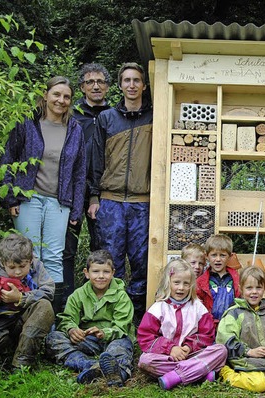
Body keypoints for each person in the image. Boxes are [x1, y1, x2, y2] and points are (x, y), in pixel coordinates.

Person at [0, 76, 86, 314]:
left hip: (59, 202)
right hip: (28, 199)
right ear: (46, 95)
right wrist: (10, 197)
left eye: (66, 97)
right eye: (56, 94)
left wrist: (76, 208)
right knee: (29, 255)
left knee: (54, 257)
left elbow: (80, 171)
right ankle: (26, 312)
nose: (61, 100)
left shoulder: (74, 129)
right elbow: (8, 159)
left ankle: (52, 317)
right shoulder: (27, 123)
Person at [88, 62, 153, 320]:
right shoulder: (106, 118)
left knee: (141, 262)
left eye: (136, 80)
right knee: (110, 261)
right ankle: (110, 315)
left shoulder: (154, 116)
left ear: (144, 86)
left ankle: (136, 316)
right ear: (120, 85)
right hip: (110, 200)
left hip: (143, 201)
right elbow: (95, 160)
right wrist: (93, 196)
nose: (132, 85)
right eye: (127, 80)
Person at [46, 250, 134, 387]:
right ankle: (89, 365)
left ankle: (119, 374)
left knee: (121, 346)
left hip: (113, 338)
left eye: (106, 272)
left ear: (113, 273)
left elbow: (122, 326)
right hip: (88, 339)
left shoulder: (121, 296)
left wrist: (105, 333)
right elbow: (67, 318)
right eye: (95, 271)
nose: (101, 276)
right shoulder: (78, 295)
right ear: (86, 273)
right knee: (54, 338)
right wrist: (72, 330)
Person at [0, 234, 54, 372]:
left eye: (22, 266)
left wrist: (21, 298)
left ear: (30, 260)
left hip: (24, 321)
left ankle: (21, 363)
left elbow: (49, 290)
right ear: (3, 262)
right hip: (1, 326)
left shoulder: (37, 267)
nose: (18, 272)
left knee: (44, 306)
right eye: (12, 267)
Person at [62, 63, 112, 302]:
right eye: (90, 82)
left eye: (100, 81)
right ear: (81, 87)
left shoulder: (113, 116)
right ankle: (66, 301)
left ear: (108, 87)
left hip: (103, 190)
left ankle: (96, 299)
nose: (95, 86)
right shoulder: (72, 116)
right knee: (66, 247)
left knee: (100, 247)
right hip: (72, 189)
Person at [137, 259, 227, 389]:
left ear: (191, 285)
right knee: (145, 361)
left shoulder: (198, 307)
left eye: (186, 284)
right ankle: (199, 374)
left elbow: (207, 334)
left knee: (221, 350)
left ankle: (175, 377)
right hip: (167, 357)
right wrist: (170, 348)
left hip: (191, 354)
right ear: (168, 283)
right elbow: (146, 337)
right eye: (176, 283)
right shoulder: (158, 308)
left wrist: (189, 347)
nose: (181, 288)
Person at [215, 266, 265, 393]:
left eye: (258, 288)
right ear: (241, 289)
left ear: (264, 289)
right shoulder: (234, 313)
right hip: (243, 358)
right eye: (249, 288)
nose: (254, 292)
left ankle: (262, 375)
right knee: (258, 385)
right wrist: (248, 351)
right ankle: (225, 372)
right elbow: (226, 338)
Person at [195, 234, 241, 328]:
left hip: (232, 324)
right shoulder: (201, 282)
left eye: (223, 255)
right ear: (207, 256)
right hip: (209, 325)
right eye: (214, 255)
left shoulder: (237, 279)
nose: (218, 259)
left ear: (230, 256)